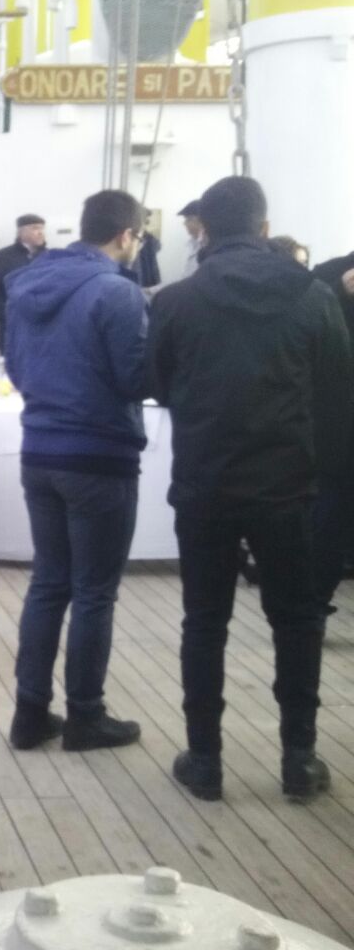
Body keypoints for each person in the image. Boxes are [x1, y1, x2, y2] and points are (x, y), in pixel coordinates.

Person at [150, 176, 352, 803]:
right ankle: (300, 759)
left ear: (204, 229)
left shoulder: (176, 300)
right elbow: (337, 387)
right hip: (287, 488)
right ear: (264, 228)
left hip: (204, 484)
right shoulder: (313, 297)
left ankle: (205, 761)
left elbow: (156, 382)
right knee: (297, 621)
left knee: (205, 621)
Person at [4, 190, 148, 753]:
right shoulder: (118, 291)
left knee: (49, 583)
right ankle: (86, 715)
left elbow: (16, 367)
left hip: (39, 449)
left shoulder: (26, 285)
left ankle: (29, 713)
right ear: (126, 235)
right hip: (100, 456)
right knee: (93, 592)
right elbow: (134, 378)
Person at [310, 245, 354, 607]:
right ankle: (315, 601)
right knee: (330, 519)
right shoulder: (327, 276)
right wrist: (340, 291)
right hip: (336, 428)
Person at [0, 213, 46, 353]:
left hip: (44, 331)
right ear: (20, 232)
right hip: (12, 331)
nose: (41, 232)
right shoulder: (3, 257)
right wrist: (8, 316)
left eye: (42, 228)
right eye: (35, 228)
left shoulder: (50, 257)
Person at [178, 199, 205, 278]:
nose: (184, 223)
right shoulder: (190, 244)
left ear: (201, 221)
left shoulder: (207, 246)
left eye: (189, 219)